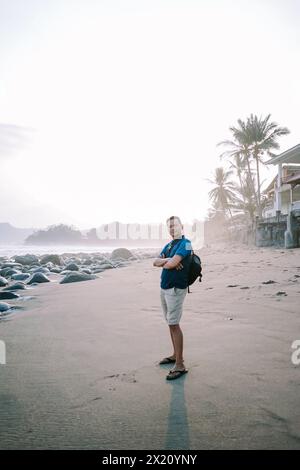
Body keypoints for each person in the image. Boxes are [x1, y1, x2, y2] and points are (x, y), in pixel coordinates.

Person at [153, 215, 192, 380]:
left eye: (174, 225)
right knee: (170, 323)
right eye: (169, 227)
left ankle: (180, 364)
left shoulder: (186, 244)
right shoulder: (169, 245)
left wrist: (167, 261)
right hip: (165, 288)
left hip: (176, 289)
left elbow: (170, 265)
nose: (172, 229)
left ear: (181, 226)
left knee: (174, 324)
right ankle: (175, 354)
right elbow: (155, 262)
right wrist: (168, 260)